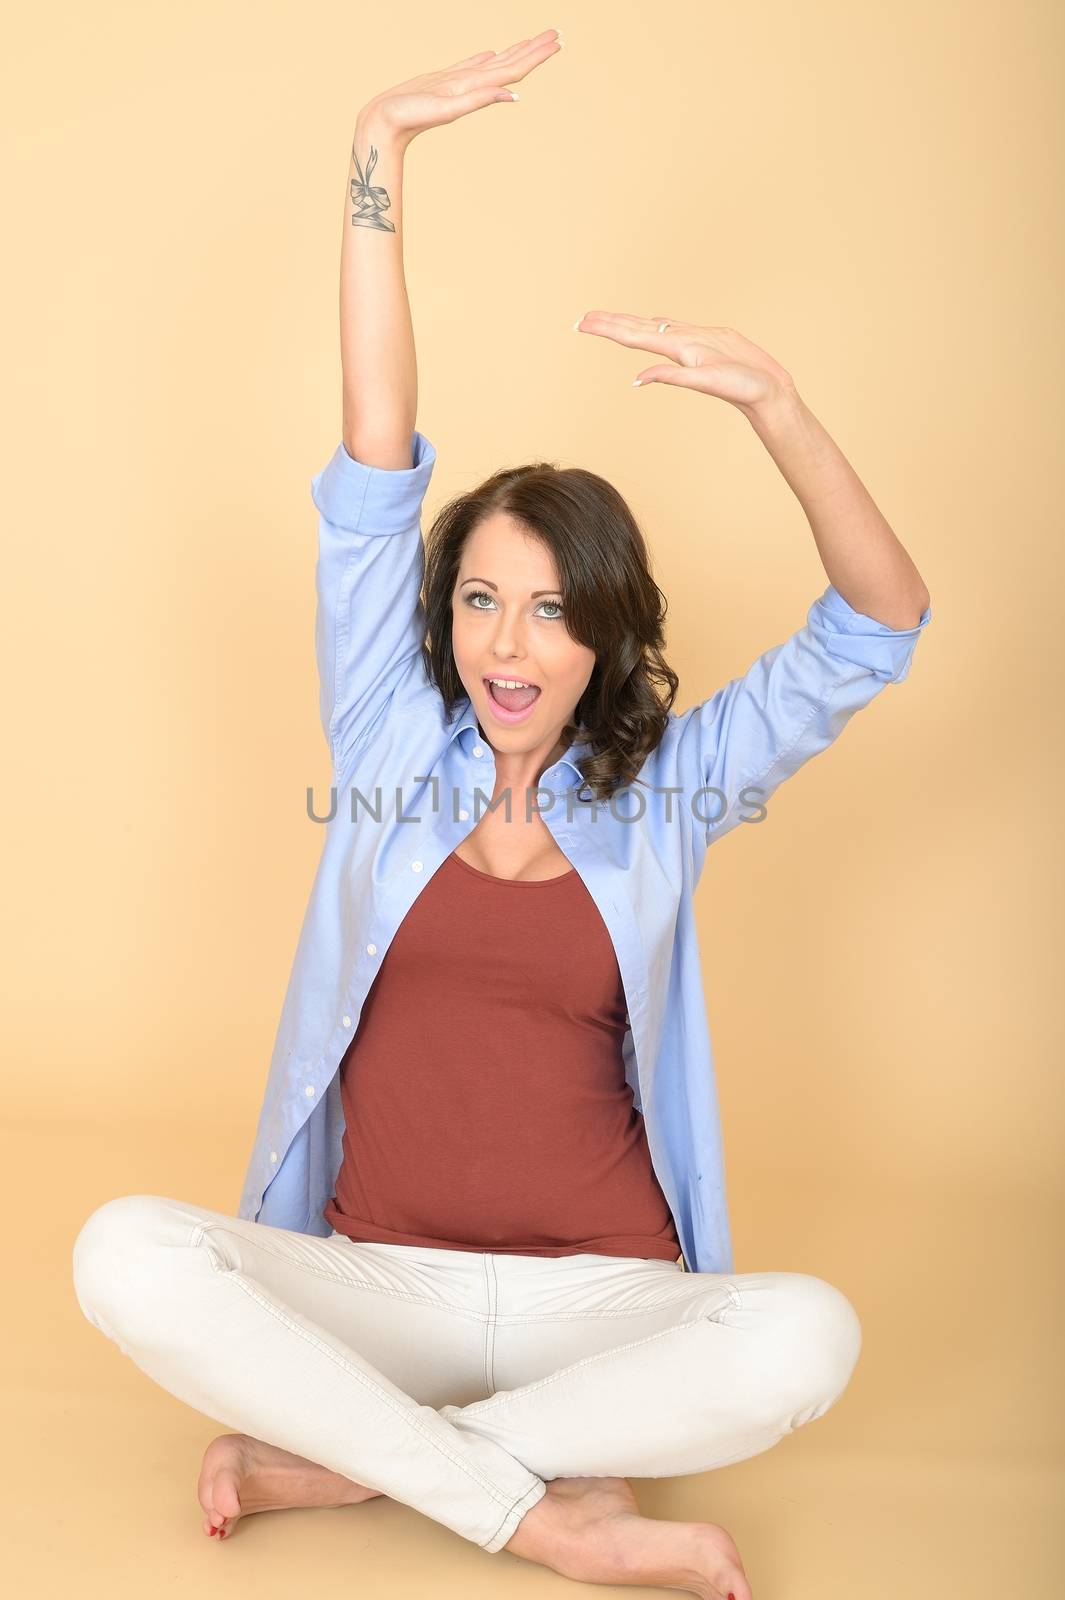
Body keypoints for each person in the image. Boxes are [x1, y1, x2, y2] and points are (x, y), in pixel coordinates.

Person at [71, 28, 932, 1600]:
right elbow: (373, 452)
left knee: (808, 1333)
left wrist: (778, 408)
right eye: (478, 600)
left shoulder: (672, 788)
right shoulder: (390, 739)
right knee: (120, 1246)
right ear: (441, 620)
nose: (505, 643)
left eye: (544, 611)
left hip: (598, 1299)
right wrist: (374, 159)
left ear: (602, 631)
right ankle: (544, 1509)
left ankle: (344, 1460)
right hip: (369, 1282)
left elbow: (877, 625)